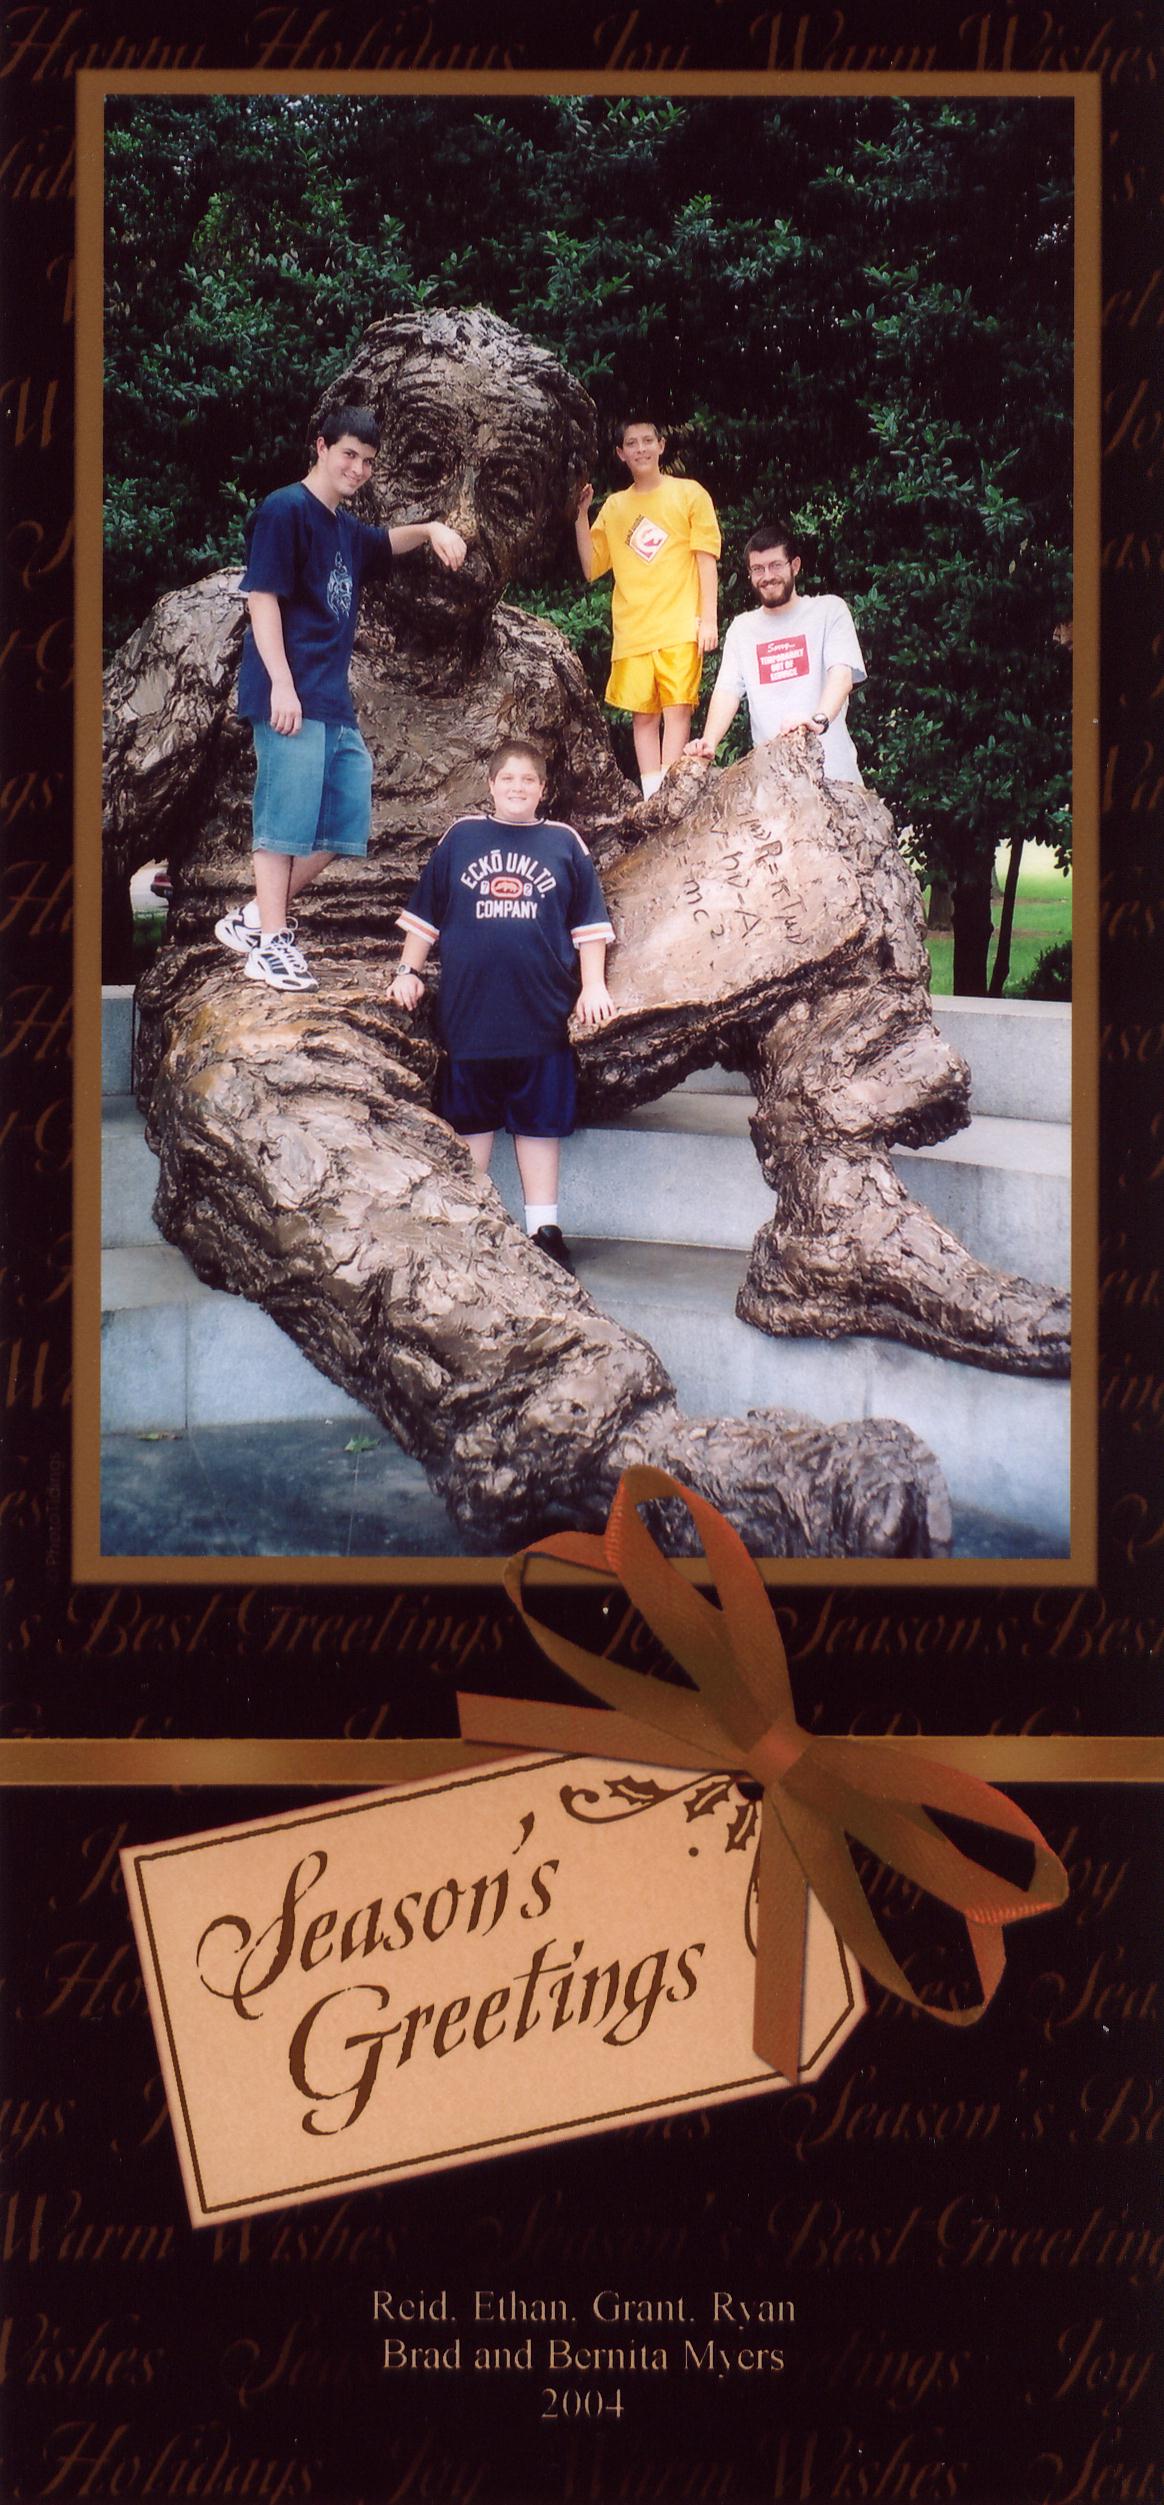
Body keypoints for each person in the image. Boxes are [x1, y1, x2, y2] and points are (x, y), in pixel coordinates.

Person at [216, 403, 467, 993]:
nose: (358, 468)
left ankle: (254, 918)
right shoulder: (284, 510)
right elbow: (261, 598)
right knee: (282, 825)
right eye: (349, 454)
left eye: (368, 461)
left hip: (331, 699)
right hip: (289, 693)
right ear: (322, 447)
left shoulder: (344, 528)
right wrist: (281, 683)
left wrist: (432, 529)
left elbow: (386, 543)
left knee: (345, 823)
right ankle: (271, 943)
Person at [389, 737, 616, 1272]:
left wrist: (593, 986)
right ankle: (473, 1223)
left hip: (541, 1015)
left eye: (528, 780)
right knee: (471, 1124)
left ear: (543, 789)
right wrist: (407, 971)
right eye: (508, 779)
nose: (518, 787)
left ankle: (545, 1229)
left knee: (539, 1124)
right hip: (470, 1017)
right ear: (491, 785)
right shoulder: (462, 837)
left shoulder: (564, 842)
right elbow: (425, 917)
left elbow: (589, 925)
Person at [574, 415, 720, 800]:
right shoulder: (615, 506)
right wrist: (581, 515)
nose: (641, 449)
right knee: (643, 716)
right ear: (621, 454)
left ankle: (671, 793)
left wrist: (709, 620)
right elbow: (591, 567)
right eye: (631, 443)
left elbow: (706, 559)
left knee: (678, 709)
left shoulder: (690, 494)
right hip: (634, 629)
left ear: (661, 446)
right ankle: (651, 796)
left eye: (647, 441)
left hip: (679, 624)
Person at [686, 521, 866, 782]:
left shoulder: (829, 611)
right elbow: (727, 692)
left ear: (795, 566)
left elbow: (842, 676)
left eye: (776, 565)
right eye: (758, 569)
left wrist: (818, 720)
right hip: (773, 785)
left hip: (836, 779)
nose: (767, 576)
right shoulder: (742, 629)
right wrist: (709, 742)